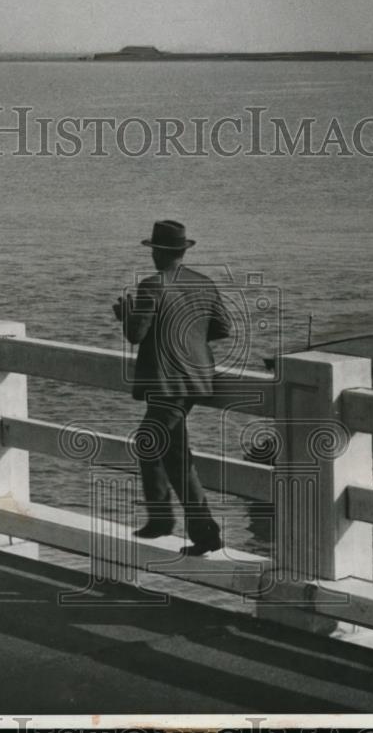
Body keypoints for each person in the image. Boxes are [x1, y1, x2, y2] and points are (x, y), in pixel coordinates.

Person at [113, 220, 231, 556]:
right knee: (175, 454)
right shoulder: (204, 283)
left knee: (148, 441)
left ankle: (167, 520)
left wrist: (126, 315)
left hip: (169, 383)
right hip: (196, 378)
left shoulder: (151, 286)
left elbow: (136, 335)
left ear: (158, 253)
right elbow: (222, 328)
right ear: (182, 250)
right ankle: (201, 532)